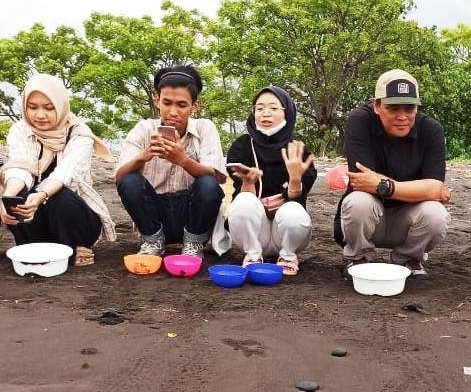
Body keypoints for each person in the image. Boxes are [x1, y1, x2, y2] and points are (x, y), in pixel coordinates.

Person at [334, 69, 450, 275]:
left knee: (436, 213)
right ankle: (358, 257)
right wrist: (423, 188)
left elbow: (434, 188)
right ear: (376, 105)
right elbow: (362, 182)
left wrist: (383, 185)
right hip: (369, 216)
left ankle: (407, 259)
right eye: (393, 108)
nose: (402, 116)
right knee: (358, 201)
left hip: (409, 219)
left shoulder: (431, 130)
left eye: (409, 108)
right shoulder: (359, 121)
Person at [0, 74, 115, 264]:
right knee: (15, 195)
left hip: (77, 220)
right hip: (38, 218)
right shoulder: (21, 130)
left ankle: (77, 247)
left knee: (58, 195)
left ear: (61, 106)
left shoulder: (80, 135)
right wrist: (6, 199)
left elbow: (65, 173)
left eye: (49, 107)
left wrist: (41, 195)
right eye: (32, 107)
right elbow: (21, 167)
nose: (40, 115)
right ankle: (33, 246)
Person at [115, 65, 226, 258]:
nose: (173, 112)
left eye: (182, 105)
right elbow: (120, 177)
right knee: (130, 180)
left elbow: (215, 177)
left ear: (194, 106)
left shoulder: (205, 128)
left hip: (190, 213)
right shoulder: (144, 129)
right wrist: (143, 156)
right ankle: (152, 241)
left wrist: (183, 160)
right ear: (157, 101)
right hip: (154, 213)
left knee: (208, 183)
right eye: (167, 103)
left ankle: (193, 243)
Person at [221, 86, 316, 275]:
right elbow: (242, 198)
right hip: (255, 234)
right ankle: (253, 254)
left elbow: (298, 199)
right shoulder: (242, 146)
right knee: (243, 202)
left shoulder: (297, 148)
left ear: (287, 112)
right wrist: (248, 183)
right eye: (259, 108)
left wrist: (296, 179)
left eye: (273, 108)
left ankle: (288, 256)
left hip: (288, 234)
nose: (265, 114)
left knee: (293, 211)